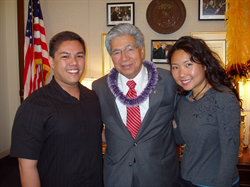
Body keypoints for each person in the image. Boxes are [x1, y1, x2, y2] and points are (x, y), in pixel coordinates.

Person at [10, 31, 103, 187]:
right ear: (51, 62)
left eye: (79, 56)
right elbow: (26, 167)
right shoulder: (35, 105)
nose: (74, 62)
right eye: (65, 56)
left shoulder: (92, 97)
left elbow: (97, 135)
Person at [92, 23, 179, 187]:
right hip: (118, 176)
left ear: (142, 50)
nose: (124, 57)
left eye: (130, 49)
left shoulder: (168, 81)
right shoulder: (100, 88)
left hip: (160, 175)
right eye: (117, 52)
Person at [168, 36, 241, 187]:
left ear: (205, 65)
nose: (181, 73)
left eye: (188, 64)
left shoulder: (223, 98)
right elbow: (179, 138)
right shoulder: (183, 99)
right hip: (186, 179)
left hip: (215, 182)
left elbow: (230, 153)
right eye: (175, 67)